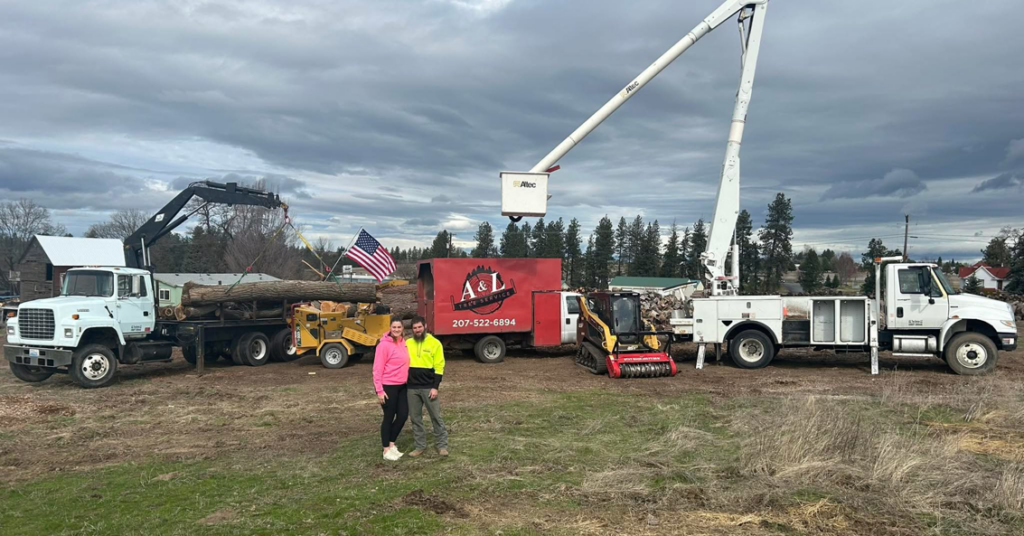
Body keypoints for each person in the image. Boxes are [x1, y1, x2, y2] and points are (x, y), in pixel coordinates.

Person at [405, 315, 449, 457]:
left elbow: (439, 366)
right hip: (411, 388)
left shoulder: (435, 343)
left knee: (435, 416)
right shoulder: (407, 343)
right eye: (415, 328)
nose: (417, 330)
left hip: (429, 387)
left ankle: (442, 446)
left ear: (425, 327)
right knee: (415, 418)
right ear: (412, 329)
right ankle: (420, 446)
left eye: (419, 327)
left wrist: (435, 387)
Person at [373, 317, 410, 461]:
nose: (396, 330)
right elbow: (377, 369)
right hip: (388, 386)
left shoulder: (403, 343)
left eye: (399, 327)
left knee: (403, 415)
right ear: (390, 328)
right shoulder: (383, 345)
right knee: (389, 417)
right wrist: (379, 391)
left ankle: (392, 443)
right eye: (394, 327)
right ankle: (386, 449)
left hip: (402, 386)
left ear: (402, 329)